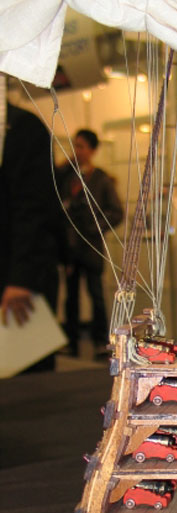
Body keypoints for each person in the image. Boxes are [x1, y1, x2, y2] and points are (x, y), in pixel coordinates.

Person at [0, 100, 63, 371]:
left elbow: (35, 209)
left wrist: (21, 278)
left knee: (25, 377)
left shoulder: (21, 127)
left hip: (16, 279)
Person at [58, 129, 123, 357]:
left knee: (96, 294)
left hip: (92, 246)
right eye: (75, 146)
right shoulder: (67, 177)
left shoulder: (100, 179)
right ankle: (72, 341)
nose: (77, 151)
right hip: (71, 247)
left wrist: (96, 227)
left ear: (92, 150)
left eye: (82, 146)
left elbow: (116, 212)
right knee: (71, 296)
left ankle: (100, 341)